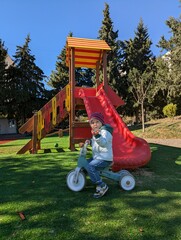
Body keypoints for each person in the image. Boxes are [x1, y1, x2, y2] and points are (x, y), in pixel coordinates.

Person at [85, 112, 113, 198]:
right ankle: (92, 179)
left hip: (105, 159)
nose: (95, 124)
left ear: (102, 123)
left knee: (90, 166)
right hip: (98, 157)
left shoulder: (105, 132)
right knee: (85, 164)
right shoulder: (97, 132)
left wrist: (97, 136)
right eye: (92, 122)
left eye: (97, 122)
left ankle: (102, 185)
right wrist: (89, 141)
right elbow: (96, 142)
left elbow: (103, 142)